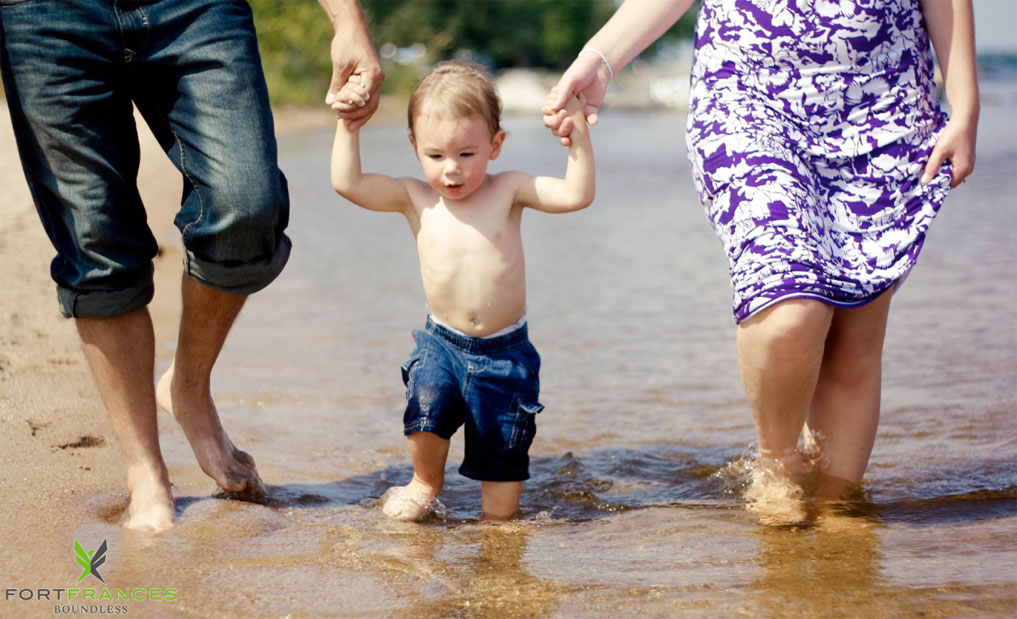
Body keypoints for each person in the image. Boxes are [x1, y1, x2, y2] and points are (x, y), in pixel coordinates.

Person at [544, 0, 977, 511]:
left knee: (853, 337)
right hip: (750, 102)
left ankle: (838, 515)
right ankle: (777, 467)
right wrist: (601, 58)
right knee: (789, 311)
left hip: (882, 107)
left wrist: (965, 104)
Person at [0, 0, 383, 532]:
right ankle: (146, 471)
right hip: (45, 15)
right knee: (95, 241)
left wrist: (347, 20)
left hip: (196, 8)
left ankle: (188, 387)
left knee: (245, 205)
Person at [330, 60, 595, 521]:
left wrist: (578, 140)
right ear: (415, 147)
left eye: (466, 155)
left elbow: (576, 195)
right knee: (426, 412)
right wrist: (348, 127)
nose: (451, 170)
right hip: (442, 343)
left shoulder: (510, 189)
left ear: (495, 145)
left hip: (505, 354)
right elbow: (347, 184)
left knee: (501, 494)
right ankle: (425, 481)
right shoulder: (416, 198)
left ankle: (496, 534)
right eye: (436, 156)